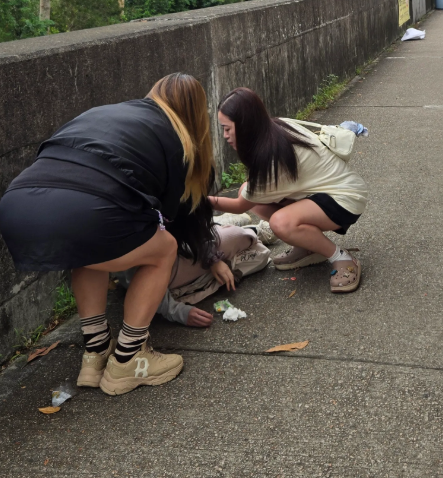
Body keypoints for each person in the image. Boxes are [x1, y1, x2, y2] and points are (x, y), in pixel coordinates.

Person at [0, 73, 214, 395]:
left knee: (88, 250)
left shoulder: (106, 112)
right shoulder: (175, 136)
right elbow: (163, 221)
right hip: (84, 208)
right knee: (163, 248)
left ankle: (96, 352)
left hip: (18, 206)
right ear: (197, 114)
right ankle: (129, 358)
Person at [210, 88, 367, 293]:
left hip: (345, 199)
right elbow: (250, 192)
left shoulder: (272, 160)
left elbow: (240, 206)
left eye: (227, 129)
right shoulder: (275, 127)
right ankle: (308, 247)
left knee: (280, 222)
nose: (225, 136)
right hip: (326, 193)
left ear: (245, 126)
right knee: (249, 194)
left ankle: (342, 259)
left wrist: (200, 200)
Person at [116, 222, 271, 327]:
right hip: (173, 265)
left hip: (191, 249)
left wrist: (212, 258)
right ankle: (244, 231)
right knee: (253, 250)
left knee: (249, 246)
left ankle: (249, 231)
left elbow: (193, 221)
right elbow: (135, 276)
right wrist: (177, 311)